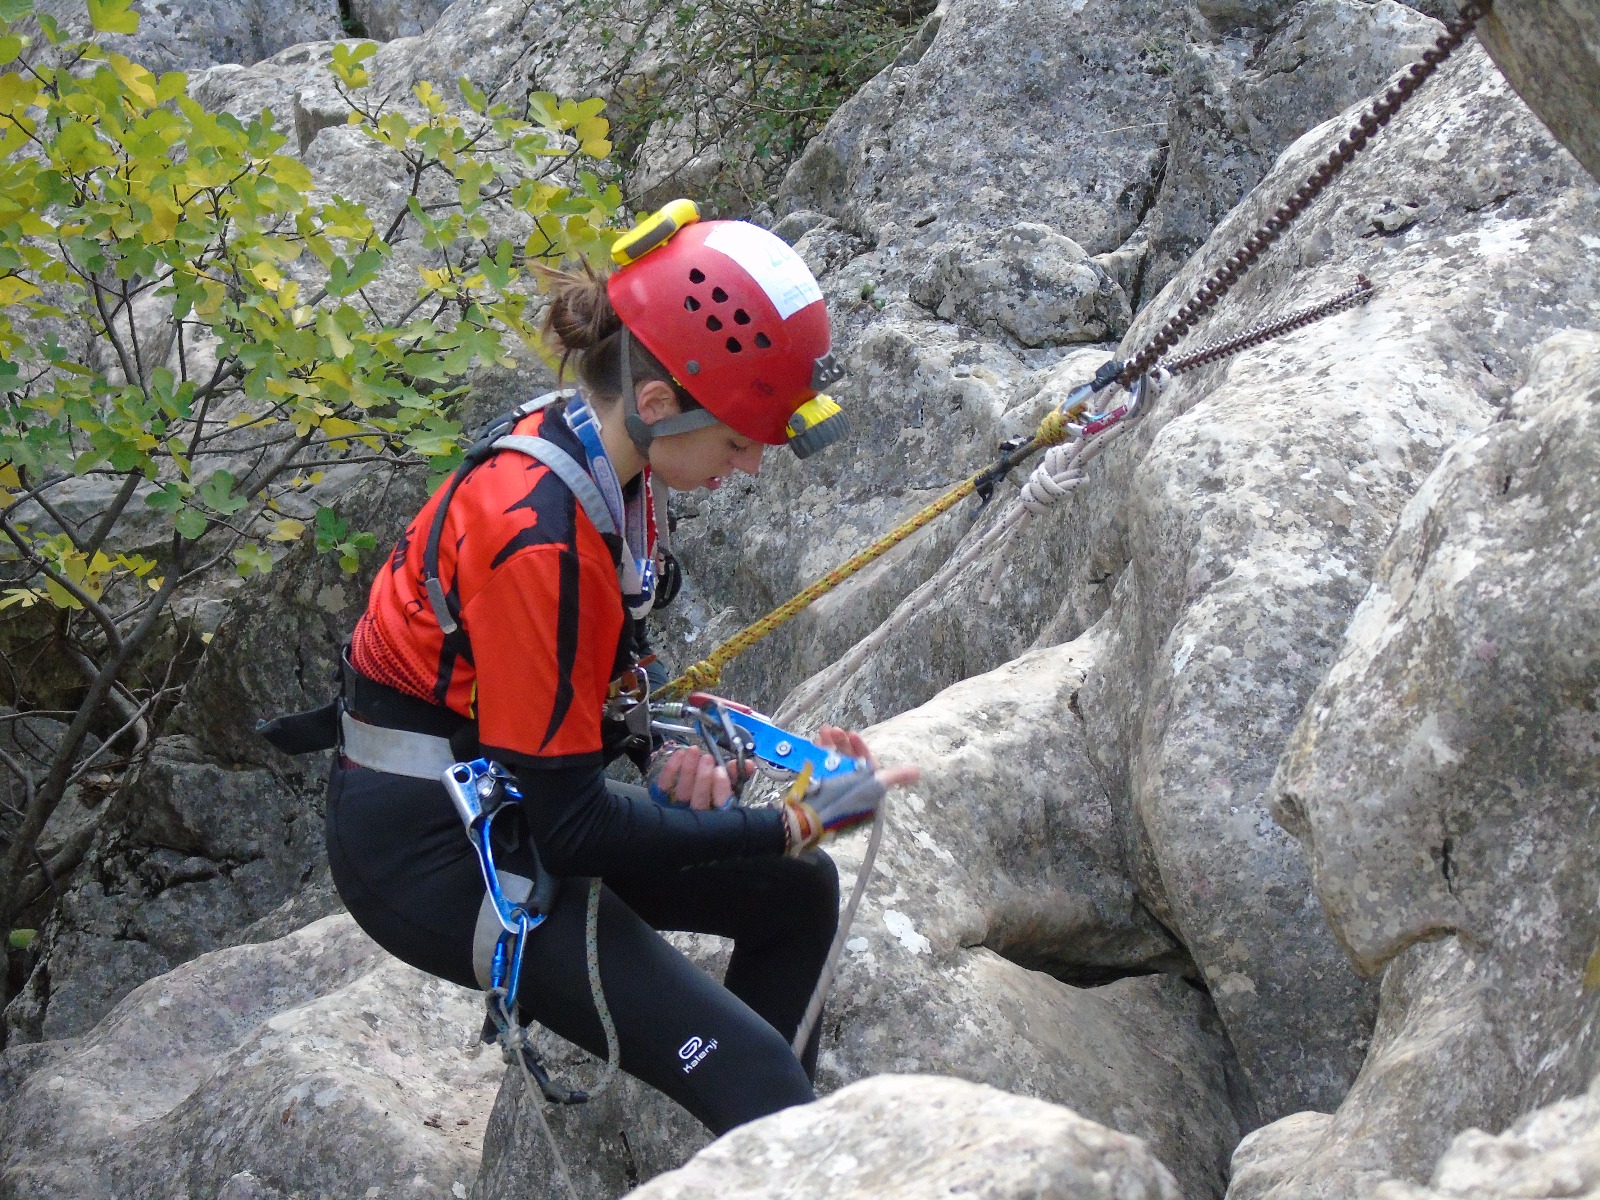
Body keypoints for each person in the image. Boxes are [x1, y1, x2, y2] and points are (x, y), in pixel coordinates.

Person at [323, 201, 918, 1137]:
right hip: (433, 851)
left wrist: (670, 760)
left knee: (797, 899)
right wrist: (790, 822)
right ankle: (761, 1133)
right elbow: (574, 832)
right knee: (759, 1071)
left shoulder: (607, 459)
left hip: (501, 789)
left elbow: (579, 682)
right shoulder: (541, 537)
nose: (750, 466)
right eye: (738, 439)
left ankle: (742, 1150)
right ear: (658, 401)